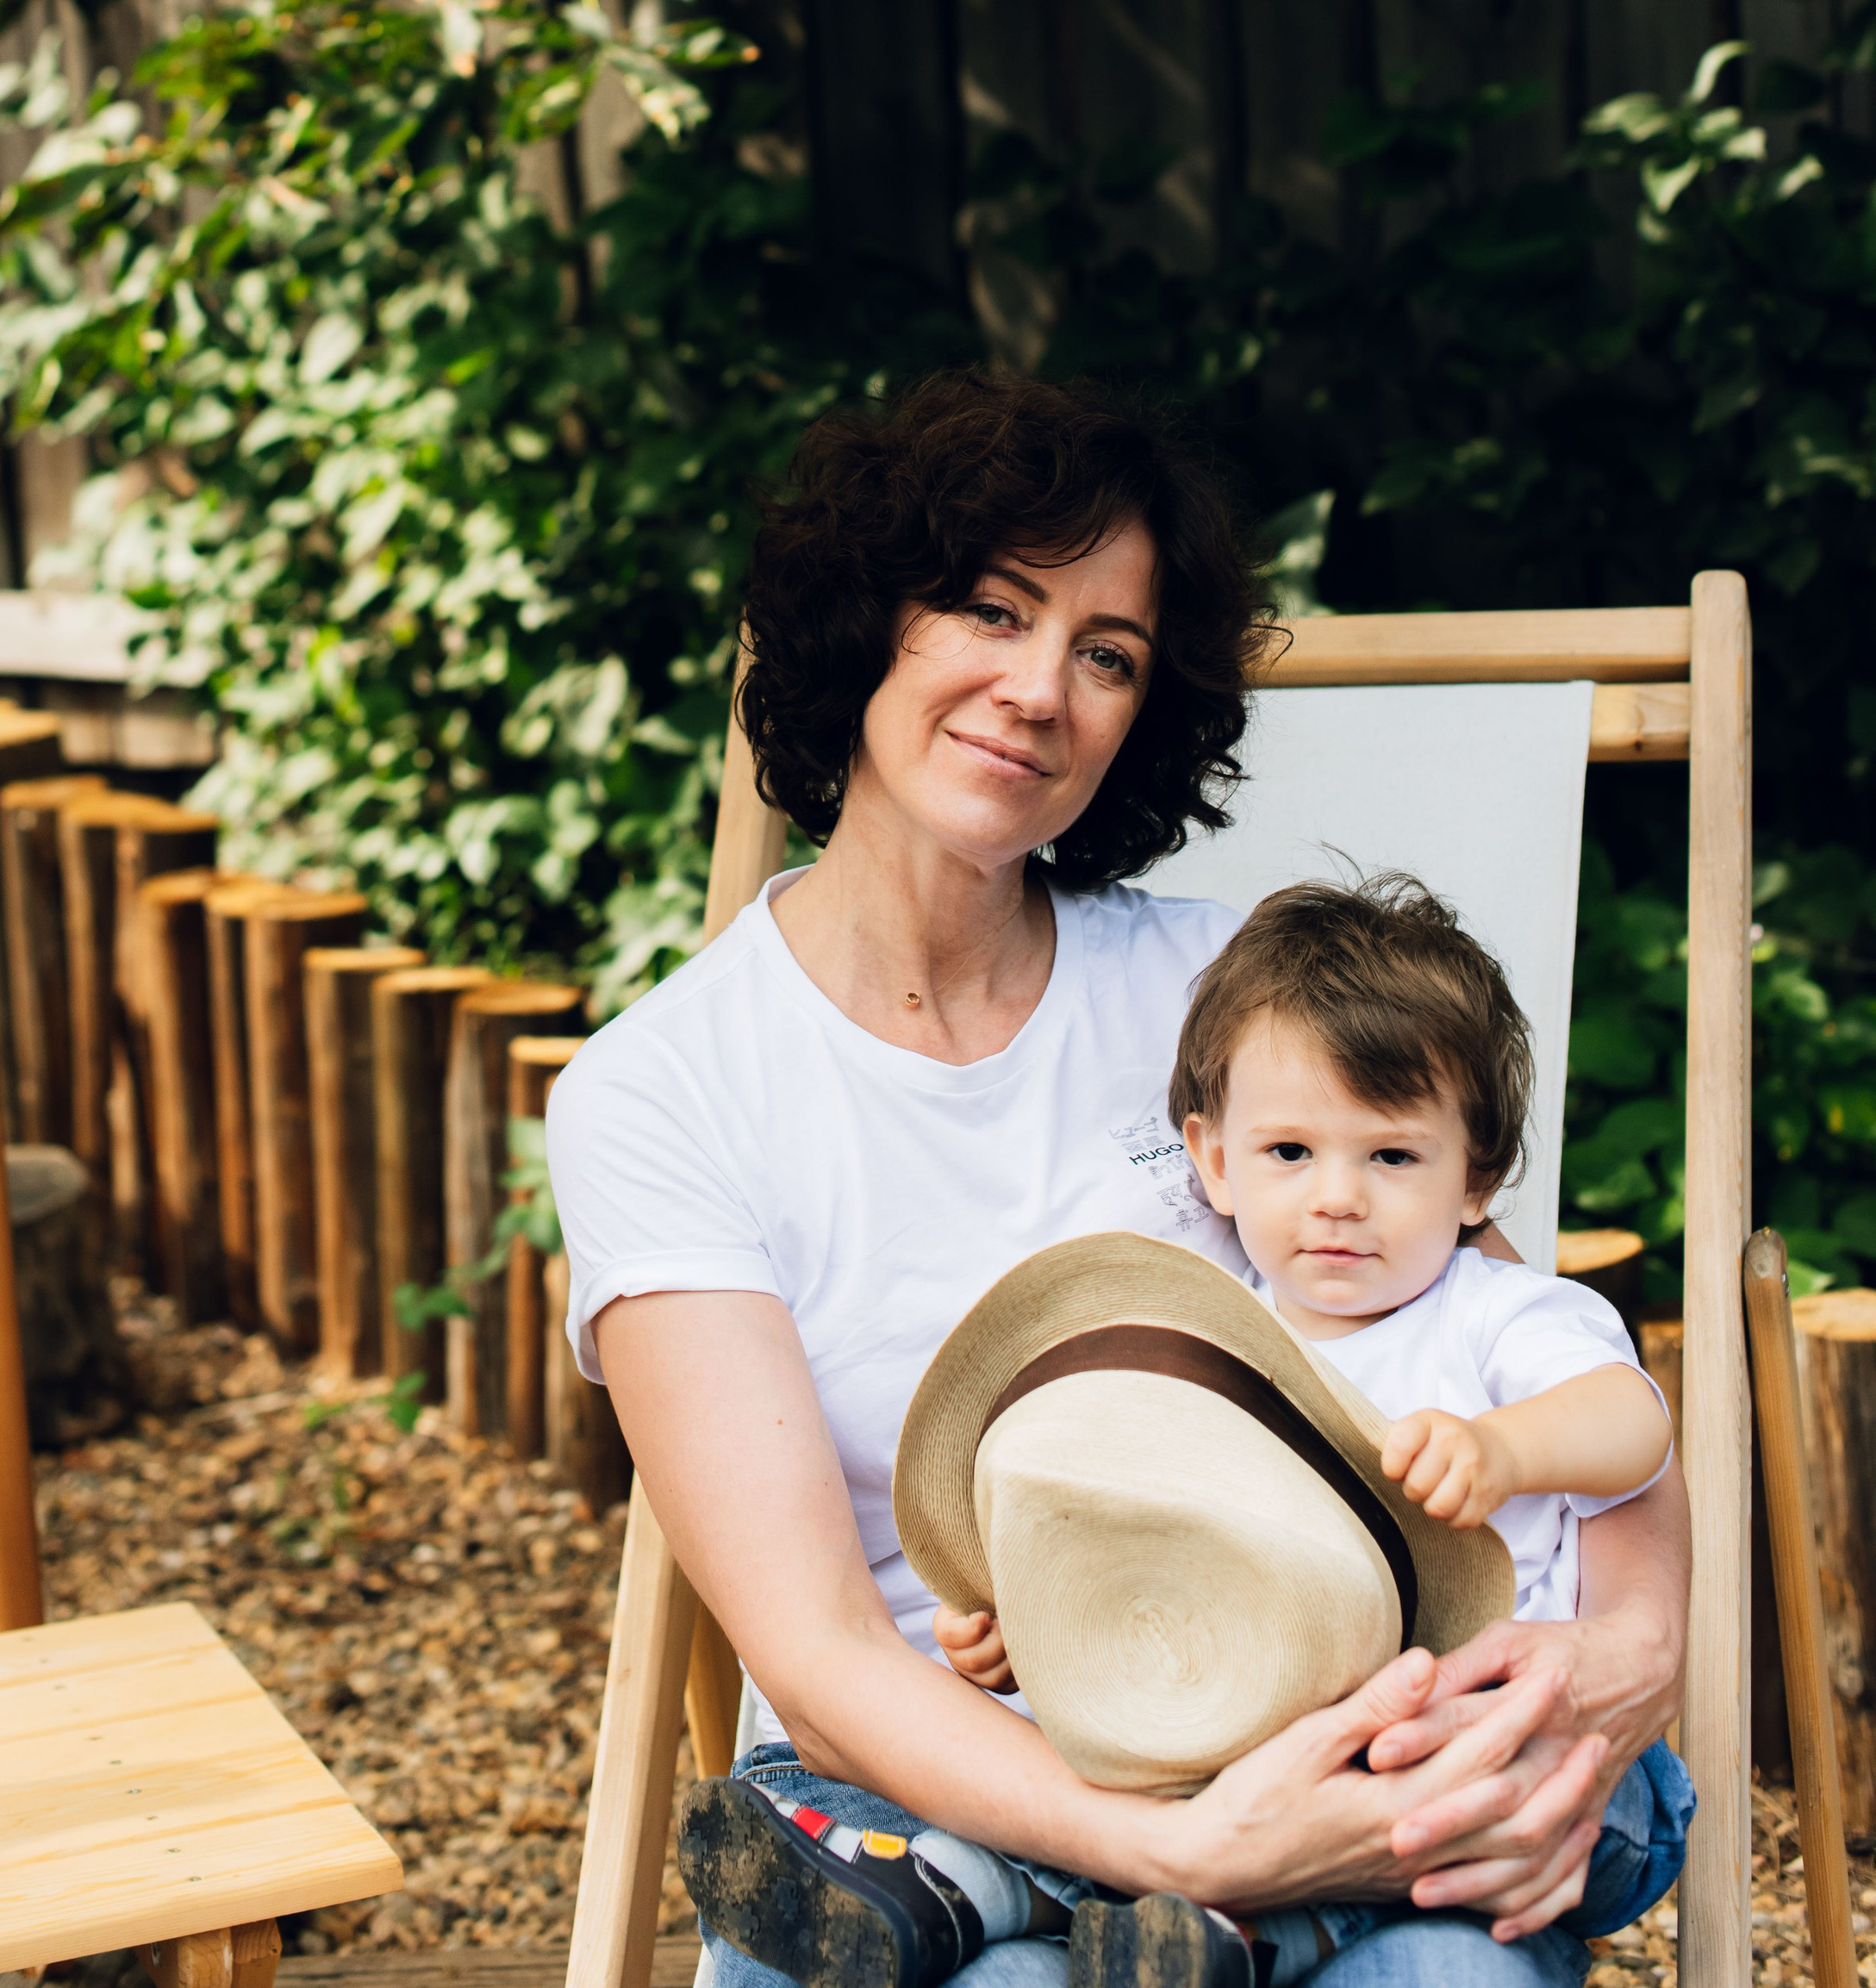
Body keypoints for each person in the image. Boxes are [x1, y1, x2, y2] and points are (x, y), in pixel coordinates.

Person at [544, 371, 1689, 1988]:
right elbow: (817, 1654)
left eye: (1108, 656)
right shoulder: (663, 1095)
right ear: (867, 621)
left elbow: (1513, 1328)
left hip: (1312, 1710)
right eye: (991, 610)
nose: (1040, 687)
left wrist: (1625, 1662)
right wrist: (1180, 1855)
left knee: (1444, 1978)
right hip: (931, 1791)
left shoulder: (1235, 993)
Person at [912, 876, 1691, 1988]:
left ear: (1478, 1180)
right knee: (1157, 1785)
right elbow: (1171, 1568)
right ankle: (985, 1895)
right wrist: (1031, 1636)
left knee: (1438, 1785)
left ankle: (1049, 1902)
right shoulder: (1213, 1352)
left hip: (1513, 1744)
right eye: (1290, 1154)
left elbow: (1635, 1425)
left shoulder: (1491, 1315)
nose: (1337, 1197)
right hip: (1282, 1770)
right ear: (1214, 1162)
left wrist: (1508, 1450)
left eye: (1391, 1157)